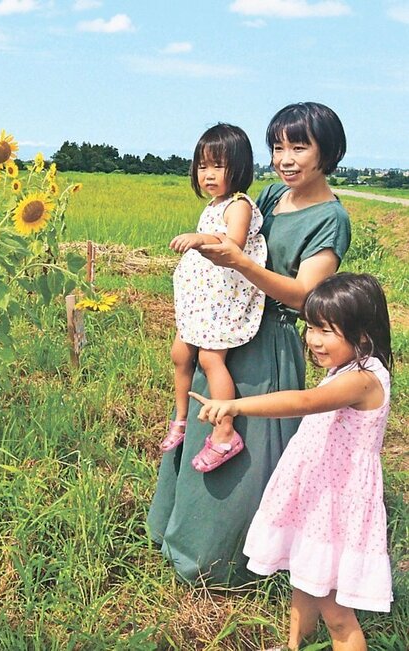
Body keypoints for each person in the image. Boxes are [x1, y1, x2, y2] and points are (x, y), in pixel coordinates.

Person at [148, 101, 351, 586]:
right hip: (227, 325)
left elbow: (304, 296)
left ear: (329, 152)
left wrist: (239, 264)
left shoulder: (330, 219)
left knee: (249, 459)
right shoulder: (270, 196)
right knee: (204, 429)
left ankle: (227, 563)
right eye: (278, 146)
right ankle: (181, 536)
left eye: (299, 147)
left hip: (269, 343)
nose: (285, 158)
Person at [192, 273, 393, 651]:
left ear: (363, 335)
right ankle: (293, 645)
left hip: (338, 502)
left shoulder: (363, 379)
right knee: (303, 580)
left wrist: (234, 404)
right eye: (311, 327)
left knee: (337, 614)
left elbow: (303, 403)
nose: (314, 340)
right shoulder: (345, 368)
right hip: (318, 493)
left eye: (327, 330)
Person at [162, 124, 267, 473]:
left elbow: (233, 243)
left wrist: (198, 237)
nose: (208, 174)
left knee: (210, 359)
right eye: (203, 166)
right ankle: (181, 417)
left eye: (218, 166)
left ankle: (225, 432)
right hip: (201, 301)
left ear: (239, 168)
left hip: (222, 302)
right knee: (180, 353)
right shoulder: (215, 203)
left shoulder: (239, 205)